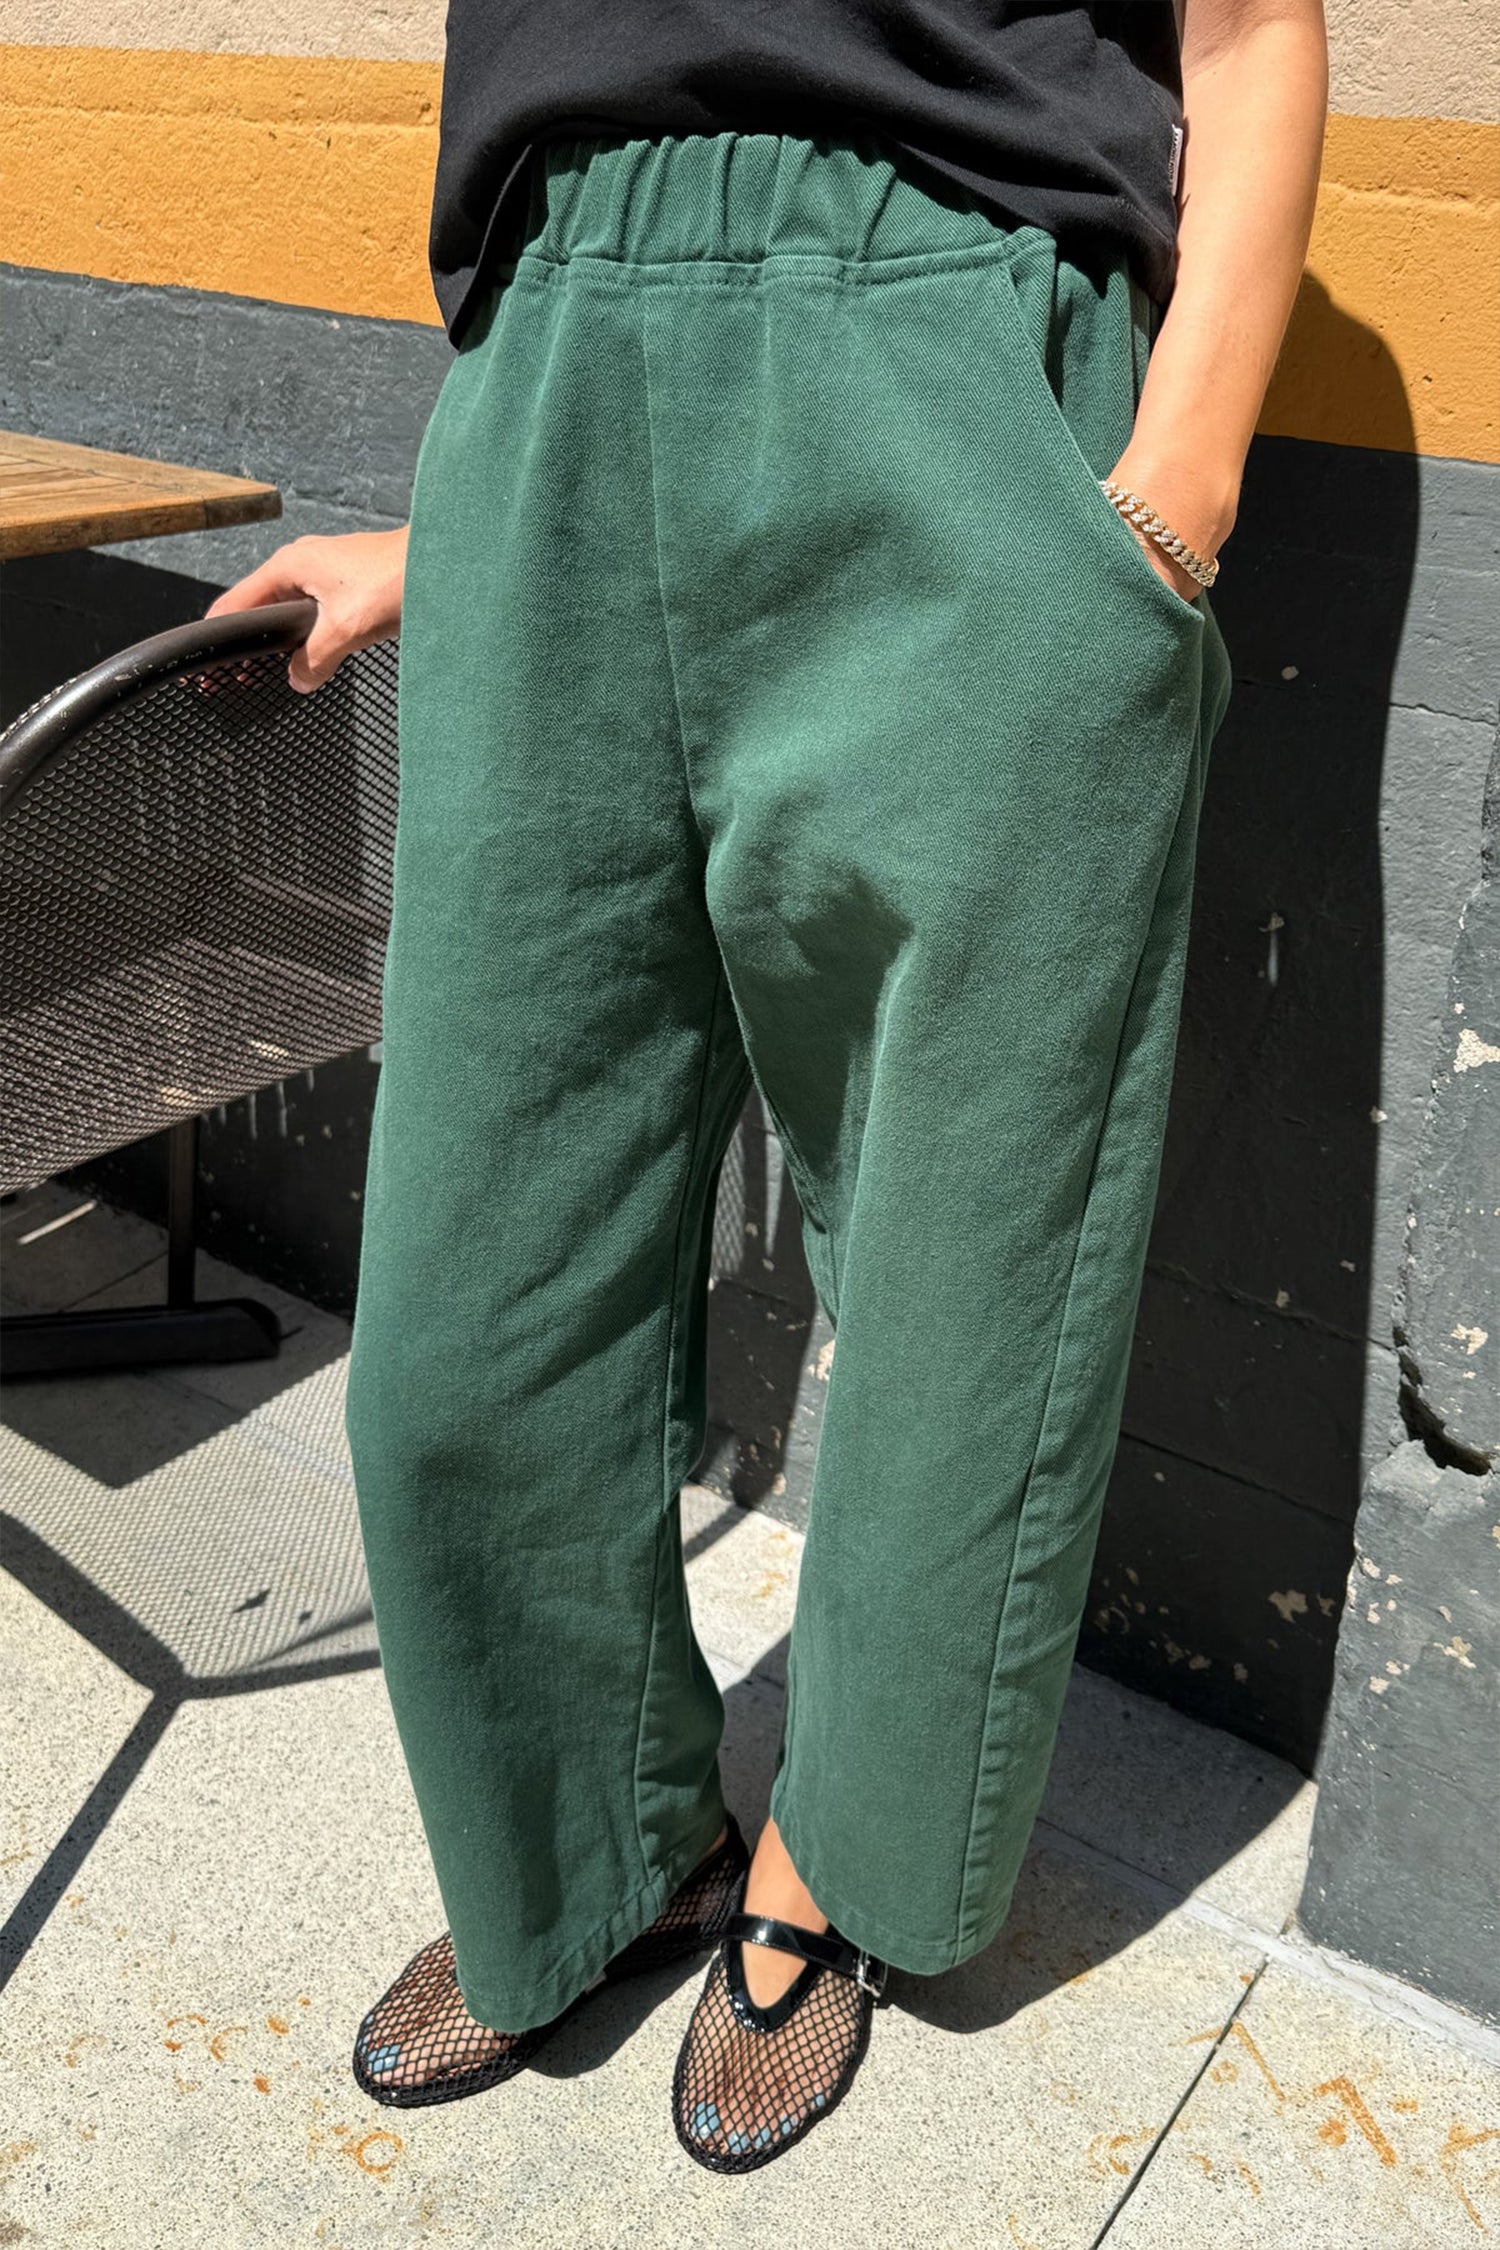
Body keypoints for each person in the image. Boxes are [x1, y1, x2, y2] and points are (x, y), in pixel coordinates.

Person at [207, 0, 1328, 2175]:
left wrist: (1163, 512)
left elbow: (1254, 21)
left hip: (963, 359)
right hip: (550, 392)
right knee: (461, 1301)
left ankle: (846, 1875)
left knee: (962, 1251)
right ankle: (593, 1850)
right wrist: (473, 530)